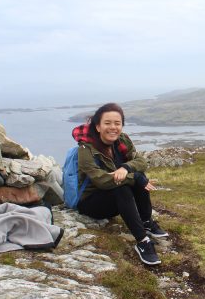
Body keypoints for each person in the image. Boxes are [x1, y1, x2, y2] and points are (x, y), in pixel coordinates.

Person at [72, 102, 168, 266]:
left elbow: (141, 161)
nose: (113, 127)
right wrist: (133, 177)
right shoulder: (86, 149)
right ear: (98, 127)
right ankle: (142, 241)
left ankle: (146, 221)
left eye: (117, 123)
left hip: (114, 198)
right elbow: (101, 180)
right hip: (91, 203)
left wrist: (126, 168)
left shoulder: (122, 140)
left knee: (137, 175)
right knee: (125, 186)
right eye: (107, 123)